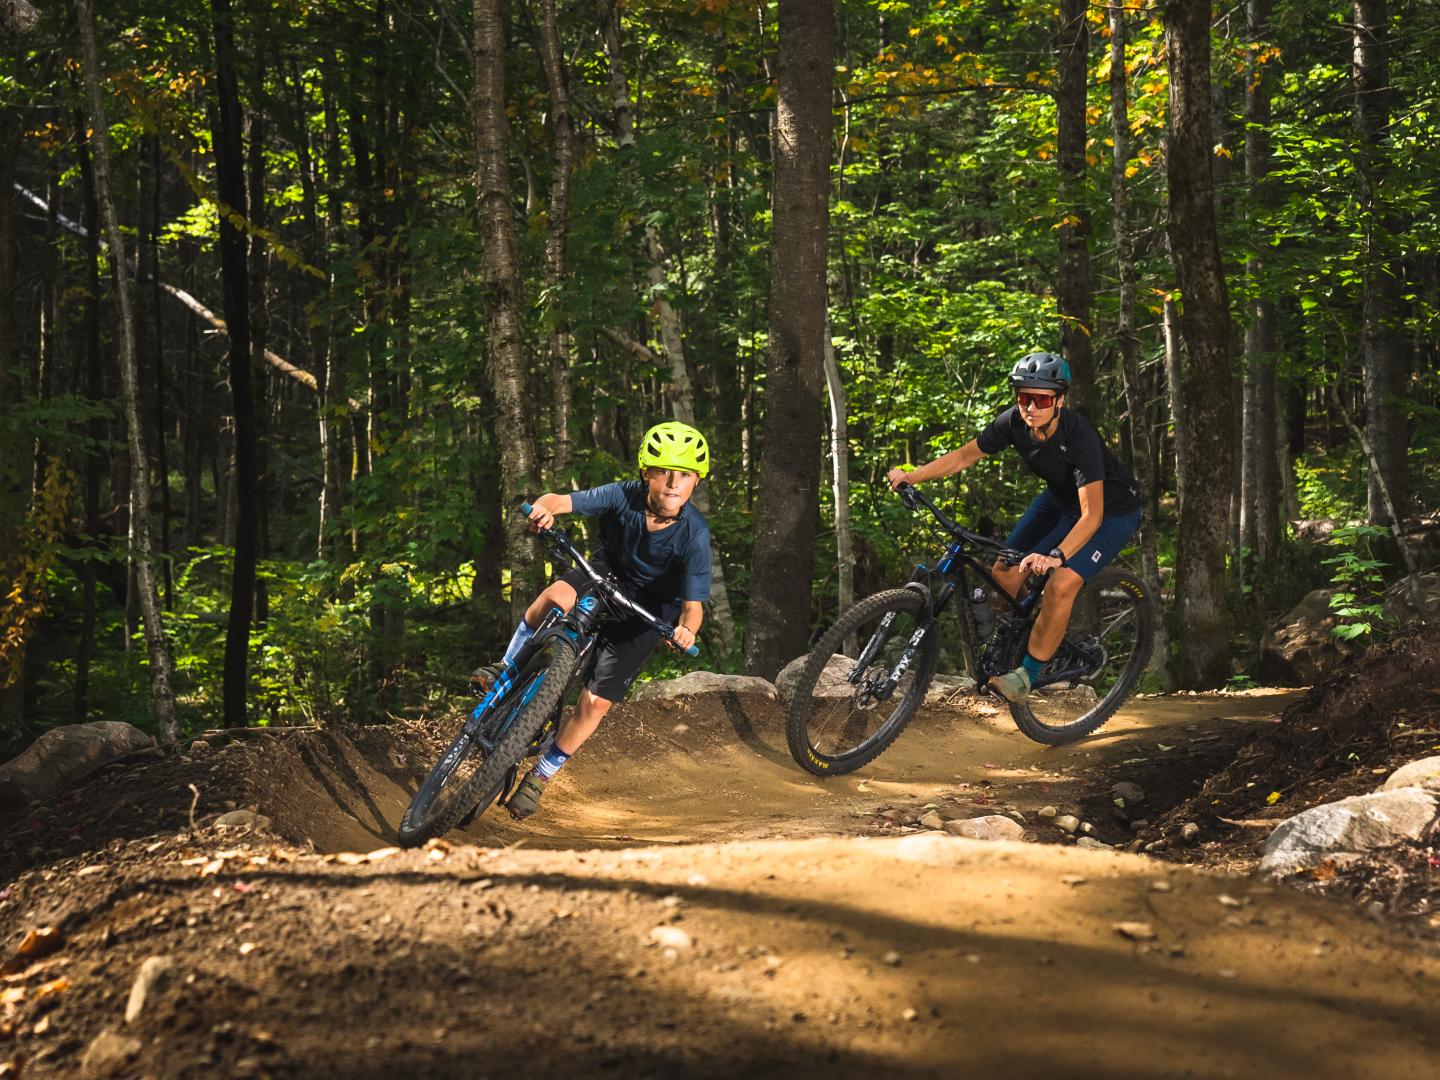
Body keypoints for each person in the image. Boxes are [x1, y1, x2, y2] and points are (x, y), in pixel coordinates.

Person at [472, 421, 712, 819]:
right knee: (554, 597)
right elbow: (560, 500)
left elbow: (694, 606)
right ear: (645, 474)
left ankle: (542, 775)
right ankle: (507, 668)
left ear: (696, 483)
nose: (673, 483)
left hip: (650, 609)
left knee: (596, 702)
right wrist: (544, 509)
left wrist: (687, 631)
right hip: (605, 573)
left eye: (684, 475)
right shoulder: (622, 495)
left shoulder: (694, 534)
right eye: (663, 471)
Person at [885, 352, 1142, 703]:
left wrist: (1056, 556)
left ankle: (1028, 675)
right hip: (1060, 501)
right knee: (1004, 575)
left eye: (1041, 399)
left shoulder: (1079, 436)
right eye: (1024, 397)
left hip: (1110, 512)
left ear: (1060, 400)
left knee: (1062, 584)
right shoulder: (1013, 424)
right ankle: (1038, 628)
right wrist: (912, 476)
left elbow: (1091, 516)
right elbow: (965, 455)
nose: (1031, 407)